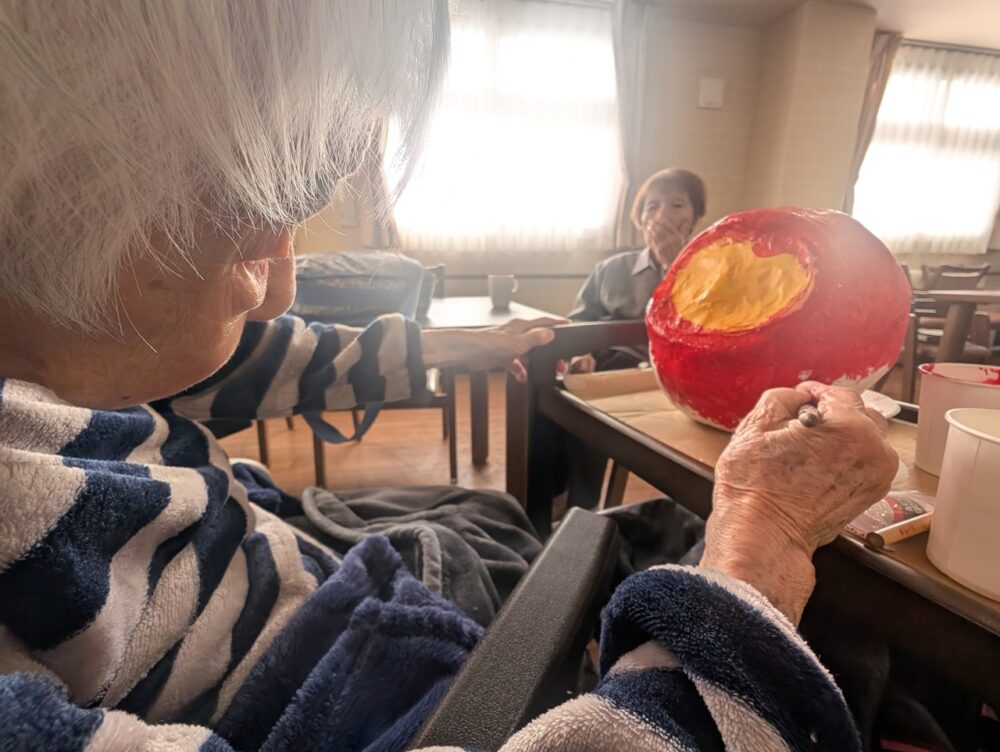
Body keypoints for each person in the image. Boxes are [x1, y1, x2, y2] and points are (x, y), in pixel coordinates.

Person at [0, 3, 899, 750]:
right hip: (384, 689)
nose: (278, 287)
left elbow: (247, 354)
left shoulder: (58, 351)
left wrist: (449, 349)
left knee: (563, 523)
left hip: (313, 582)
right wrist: (763, 549)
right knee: (757, 592)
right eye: (243, 226)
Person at [569, 168, 706, 372]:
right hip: (610, 369)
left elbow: (706, 331)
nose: (661, 216)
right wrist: (580, 352)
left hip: (678, 372)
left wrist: (676, 266)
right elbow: (579, 320)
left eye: (676, 205)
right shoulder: (610, 268)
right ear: (640, 219)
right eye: (652, 206)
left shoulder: (709, 273)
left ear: (694, 219)